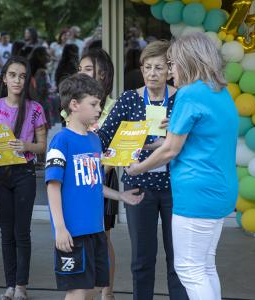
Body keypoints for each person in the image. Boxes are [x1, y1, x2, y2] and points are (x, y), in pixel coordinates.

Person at [126, 32, 239, 300]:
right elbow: (193, 138)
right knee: (205, 266)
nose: (171, 70)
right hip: (219, 189)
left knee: (189, 270)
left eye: (173, 63)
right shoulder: (219, 91)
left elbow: (170, 149)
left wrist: (138, 168)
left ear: (188, 61)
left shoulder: (189, 94)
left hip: (196, 192)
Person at [97, 40, 188, 300]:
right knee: (142, 258)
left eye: (159, 68)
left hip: (175, 185)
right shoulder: (129, 99)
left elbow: (195, 140)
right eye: (147, 67)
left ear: (170, 70)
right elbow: (105, 136)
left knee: (178, 258)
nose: (152, 73)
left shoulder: (181, 99)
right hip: (138, 186)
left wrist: (178, 129)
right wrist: (120, 151)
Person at [46, 73, 143, 300]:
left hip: (95, 230)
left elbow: (93, 183)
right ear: (74, 105)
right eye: (94, 104)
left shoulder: (94, 140)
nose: (99, 109)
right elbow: (52, 186)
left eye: (100, 103)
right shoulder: (61, 141)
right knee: (77, 292)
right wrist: (60, 228)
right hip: (72, 232)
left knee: (90, 289)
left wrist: (121, 196)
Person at [0, 56, 47, 300]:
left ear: (26, 79)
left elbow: (42, 147)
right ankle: (9, 286)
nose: (17, 80)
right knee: (6, 232)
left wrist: (25, 144)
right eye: (12, 75)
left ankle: (21, 286)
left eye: (21, 76)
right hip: (0, 173)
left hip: (24, 173)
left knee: (22, 231)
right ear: (5, 78)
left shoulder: (35, 108)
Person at [78, 48, 117, 300]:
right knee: (83, 235)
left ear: (103, 74)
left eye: (90, 70)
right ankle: (85, 288)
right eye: (82, 69)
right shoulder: (73, 106)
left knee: (103, 236)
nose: (85, 74)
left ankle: (107, 291)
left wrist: (105, 167)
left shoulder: (114, 106)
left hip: (104, 174)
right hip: (79, 177)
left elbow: (118, 147)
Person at [29, 46, 52, 127]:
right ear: (39, 56)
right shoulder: (41, 72)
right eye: (46, 55)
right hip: (41, 106)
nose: (49, 57)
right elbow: (41, 91)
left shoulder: (31, 70)